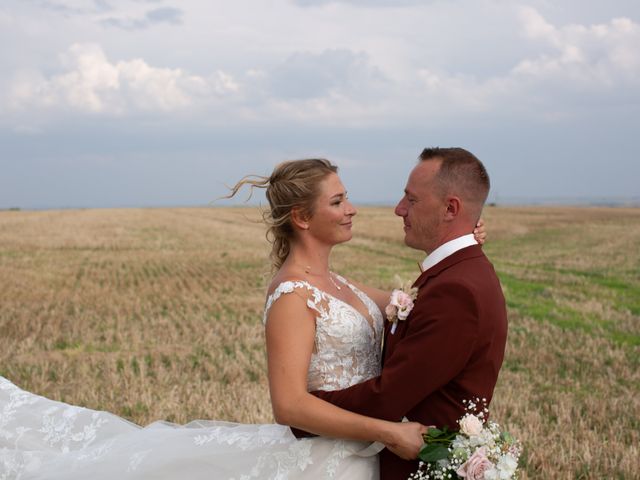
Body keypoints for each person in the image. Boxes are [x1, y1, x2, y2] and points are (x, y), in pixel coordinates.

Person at [0, 157, 487, 479]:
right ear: (301, 217)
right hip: (325, 459)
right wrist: (387, 431)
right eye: (337, 202)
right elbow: (290, 406)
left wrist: (461, 242)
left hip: (360, 457)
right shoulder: (293, 295)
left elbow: (419, 307)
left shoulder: (343, 286)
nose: (352, 209)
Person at [303, 148, 509, 480]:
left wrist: (305, 410)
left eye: (411, 200)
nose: (399, 210)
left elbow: (387, 399)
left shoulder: (457, 290)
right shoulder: (460, 273)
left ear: (450, 209)